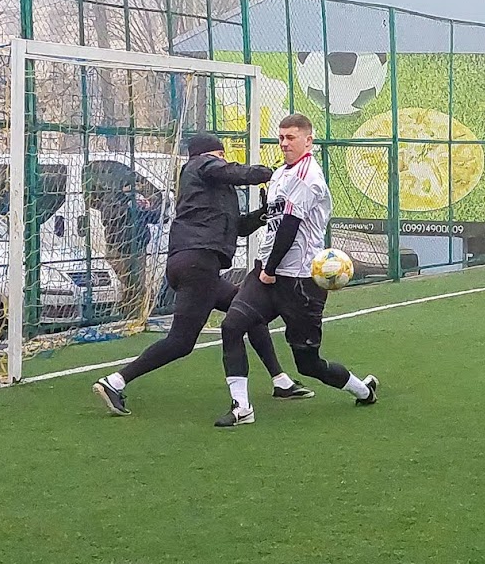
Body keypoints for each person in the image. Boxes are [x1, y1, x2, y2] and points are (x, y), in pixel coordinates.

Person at [93, 132, 312, 416]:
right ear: (211, 154)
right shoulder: (199, 166)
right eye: (221, 156)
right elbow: (228, 170)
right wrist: (271, 173)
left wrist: (265, 213)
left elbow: (238, 227)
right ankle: (115, 381)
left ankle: (280, 380)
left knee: (247, 310)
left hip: (198, 263)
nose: (224, 161)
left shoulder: (212, 190)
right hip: (197, 263)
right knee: (181, 342)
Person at [215, 114, 378, 427]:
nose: (285, 143)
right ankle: (241, 407)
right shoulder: (280, 175)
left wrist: (270, 269)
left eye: (291, 137)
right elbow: (272, 218)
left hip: (301, 282)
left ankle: (362, 389)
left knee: (308, 364)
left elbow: (290, 226)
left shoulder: (308, 175)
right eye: (281, 137)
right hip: (267, 273)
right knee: (232, 325)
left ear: (308, 140)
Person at [98, 175, 162, 317]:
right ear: (123, 186)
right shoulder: (112, 198)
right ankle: (121, 314)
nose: (136, 188)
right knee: (123, 283)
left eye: (138, 185)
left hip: (138, 247)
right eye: (132, 185)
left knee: (138, 285)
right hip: (118, 247)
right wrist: (135, 210)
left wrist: (147, 208)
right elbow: (110, 217)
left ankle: (135, 314)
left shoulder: (139, 200)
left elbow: (155, 217)